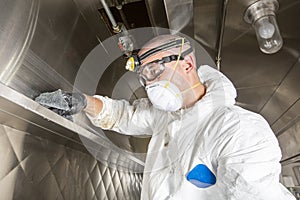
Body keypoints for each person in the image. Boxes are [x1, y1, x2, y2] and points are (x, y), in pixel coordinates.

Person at [54, 35, 296, 199]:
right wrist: (84, 102)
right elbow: (124, 115)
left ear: (188, 65)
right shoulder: (167, 115)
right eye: (144, 77)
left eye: (154, 71)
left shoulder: (237, 128)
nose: (149, 85)